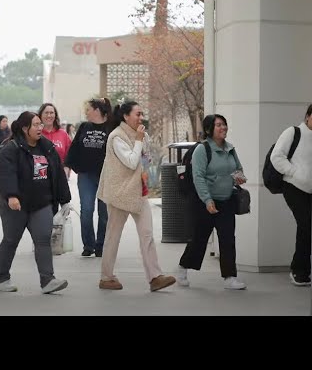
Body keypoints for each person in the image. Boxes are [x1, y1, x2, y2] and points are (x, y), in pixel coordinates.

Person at [98, 101, 176, 292]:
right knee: (113, 236)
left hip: (138, 191)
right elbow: (132, 162)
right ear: (125, 116)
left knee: (147, 234)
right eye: (137, 114)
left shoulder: (141, 135)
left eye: (142, 114)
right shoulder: (116, 137)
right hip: (120, 194)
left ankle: (155, 276)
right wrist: (140, 140)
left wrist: (143, 142)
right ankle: (106, 277)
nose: (141, 118)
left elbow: (145, 160)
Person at [0, 111, 71, 293]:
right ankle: (2, 278)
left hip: (41, 203)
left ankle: (47, 280)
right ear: (25, 128)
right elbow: (5, 174)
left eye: (40, 124)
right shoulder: (10, 148)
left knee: (43, 240)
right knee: (11, 240)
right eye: (35, 125)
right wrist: (11, 195)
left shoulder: (47, 147)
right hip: (16, 204)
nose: (40, 128)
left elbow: (58, 174)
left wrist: (64, 200)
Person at [176, 114, 247, 290]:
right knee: (199, 239)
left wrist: (239, 177)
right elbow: (198, 177)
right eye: (218, 125)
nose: (223, 128)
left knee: (227, 239)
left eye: (224, 124)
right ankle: (183, 267)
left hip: (226, 200)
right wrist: (207, 200)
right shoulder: (203, 149)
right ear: (209, 130)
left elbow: (237, 168)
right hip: (204, 202)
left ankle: (230, 277)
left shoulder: (230, 148)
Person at [270, 103, 312, 286]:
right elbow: (276, 156)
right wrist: (295, 172)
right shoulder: (293, 133)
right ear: (308, 116)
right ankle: (299, 270)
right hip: (294, 187)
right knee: (306, 224)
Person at [64, 97, 112, 257]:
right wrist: (69, 166)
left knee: (104, 213)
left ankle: (101, 246)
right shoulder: (84, 126)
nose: (86, 113)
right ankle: (88, 245)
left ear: (97, 110)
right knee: (86, 210)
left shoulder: (111, 127)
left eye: (88, 109)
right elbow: (74, 147)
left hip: (106, 177)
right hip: (86, 176)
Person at [38, 103, 72, 178]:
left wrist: (67, 169)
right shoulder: (36, 133)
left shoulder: (63, 134)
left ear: (55, 115)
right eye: (46, 113)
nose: (49, 115)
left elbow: (70, 154)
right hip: (40, 175)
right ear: (40, 115)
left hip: (59, 174)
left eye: (51, 113)